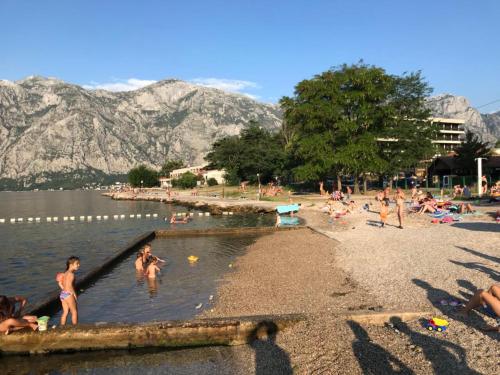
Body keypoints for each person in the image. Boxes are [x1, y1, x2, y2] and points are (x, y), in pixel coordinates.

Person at [58, 256, 80, 326]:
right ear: (71, 265)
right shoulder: (71, 274)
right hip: (68, 293)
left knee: (65, 312)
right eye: (77, 263)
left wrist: (64, 290)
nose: (79, 265)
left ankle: (62, 327)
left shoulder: (65, 273)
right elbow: (70, 286)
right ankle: (75, 327)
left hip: (63, 294)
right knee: (74, 312)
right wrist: (74, 295)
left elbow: (60, 283)